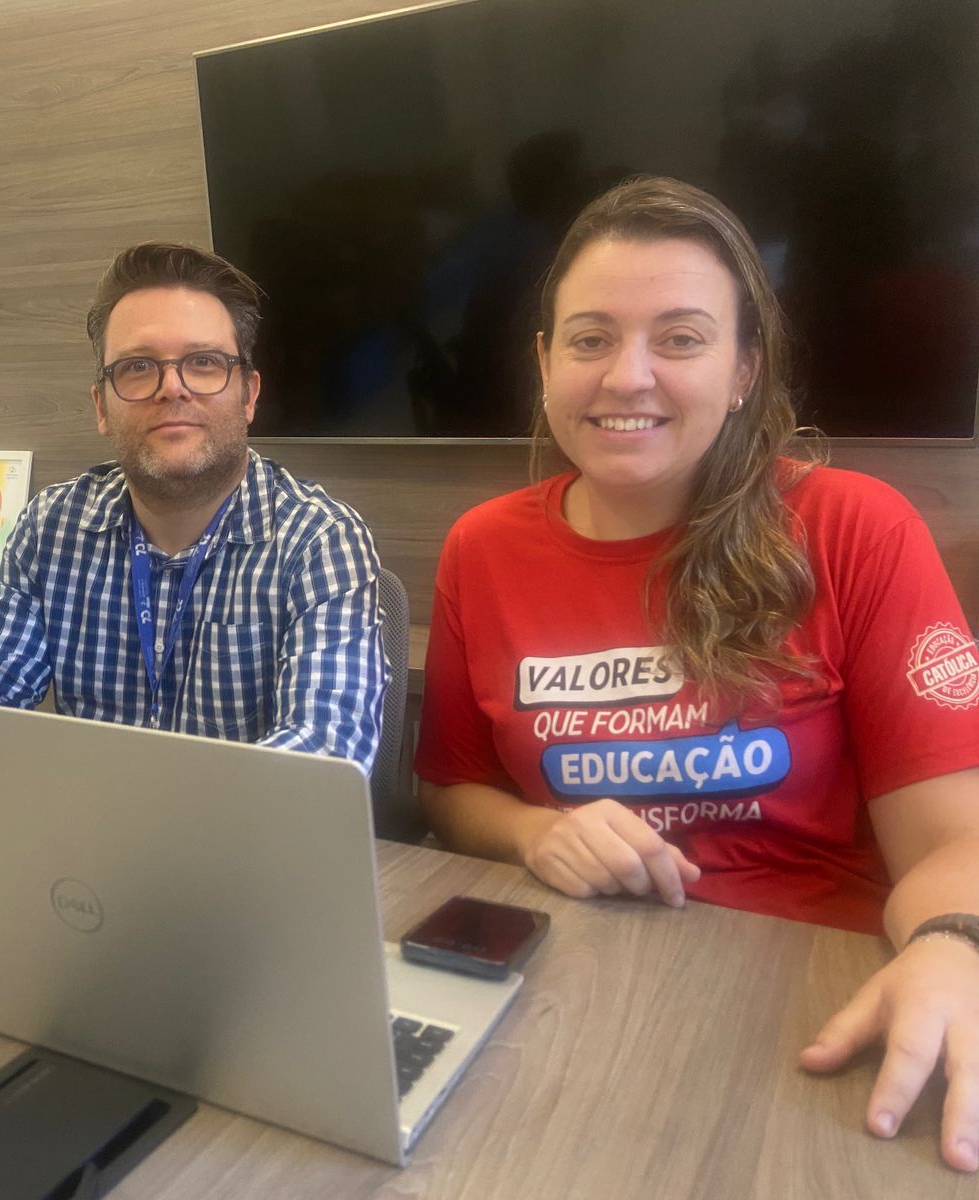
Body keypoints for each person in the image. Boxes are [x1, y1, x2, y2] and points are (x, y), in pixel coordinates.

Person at [414, 176, 979, 1172]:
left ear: (742, 369)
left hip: (814, 990)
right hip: (574, 990)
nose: (626, 375)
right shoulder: (480, 549)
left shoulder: (853, 527)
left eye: (678, 338)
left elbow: (955, 839)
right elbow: (453, 791)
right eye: (588, 339)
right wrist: (535, 831)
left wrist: (951, 941)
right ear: (544, 364)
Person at [0, 241, 387, 771]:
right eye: (137, 367)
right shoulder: (50, 528)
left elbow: (323, 758)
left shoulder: (318, 541)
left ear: (248, 395)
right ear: (101, 406)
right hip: (84, 840)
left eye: (203, 362)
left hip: (242, 850)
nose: (172, 388)